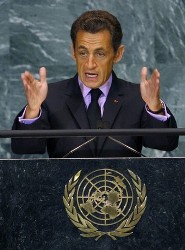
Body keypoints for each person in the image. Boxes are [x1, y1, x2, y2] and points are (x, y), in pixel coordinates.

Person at [11, 10, 178, 158]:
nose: (90, 64)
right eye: (83, 53)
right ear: (73, 52)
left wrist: (155, 108)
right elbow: (24, 147)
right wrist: (33, 111)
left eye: (100, 53)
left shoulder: (138, 97)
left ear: (118, 54)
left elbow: (164, 144)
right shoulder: (49, 97)